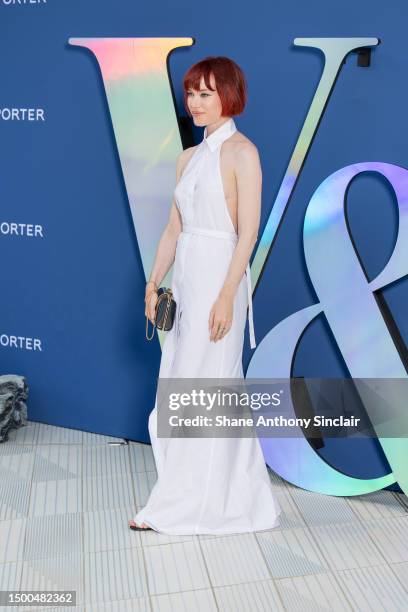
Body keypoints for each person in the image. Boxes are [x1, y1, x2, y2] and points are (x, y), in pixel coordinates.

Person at [129, 56, 281, 534]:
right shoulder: (187, 159)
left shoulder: (243, 153)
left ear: (229, 95)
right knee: (179, 382)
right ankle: (189, 493)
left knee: (211, 387)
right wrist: (154, 282)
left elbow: (249, 232)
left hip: (221, 277)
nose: (195, 103)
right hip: (188, 280)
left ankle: (199, 504)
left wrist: (226, 295)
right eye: (192, 93)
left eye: (206, 93)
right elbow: (174, 228)